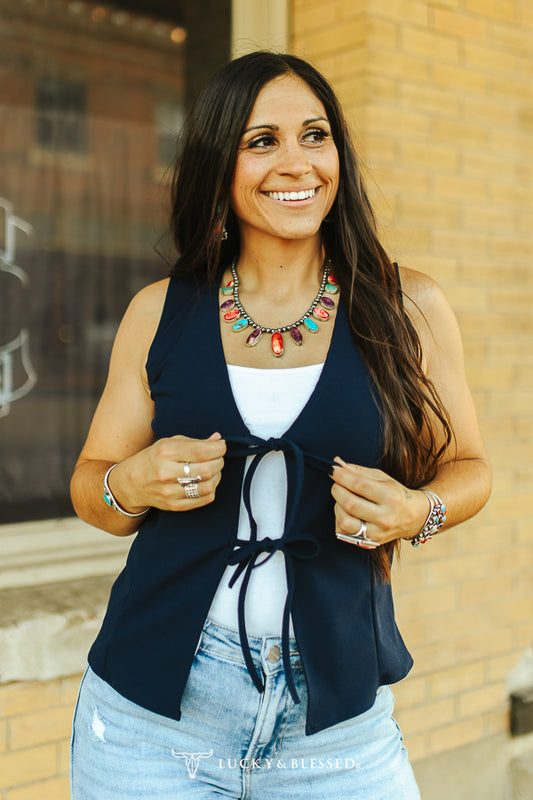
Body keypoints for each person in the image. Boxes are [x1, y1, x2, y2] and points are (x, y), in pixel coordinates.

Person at [69, 51, 491, 799]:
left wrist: (414, 511)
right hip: (151, 721)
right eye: (261, 140)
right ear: (219, 166)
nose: (295, 162)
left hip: (333, 725)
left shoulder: (409, 307)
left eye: (314, 135)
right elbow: (92, 491)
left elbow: (469, 471)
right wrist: (129, 482)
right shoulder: (159, 312)